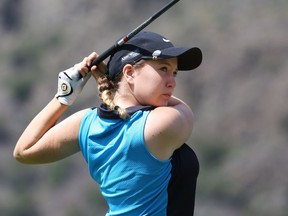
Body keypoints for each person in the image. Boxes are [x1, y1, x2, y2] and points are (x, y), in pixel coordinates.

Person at [14, 31, 202, 216]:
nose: (172, 83)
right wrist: (111, 83)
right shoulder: (162, 124)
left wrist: (64, 95)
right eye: (163, 69)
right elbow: (185, 111)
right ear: (129, 72)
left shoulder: (86, 124)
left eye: (174, 73)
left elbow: (24, 151)